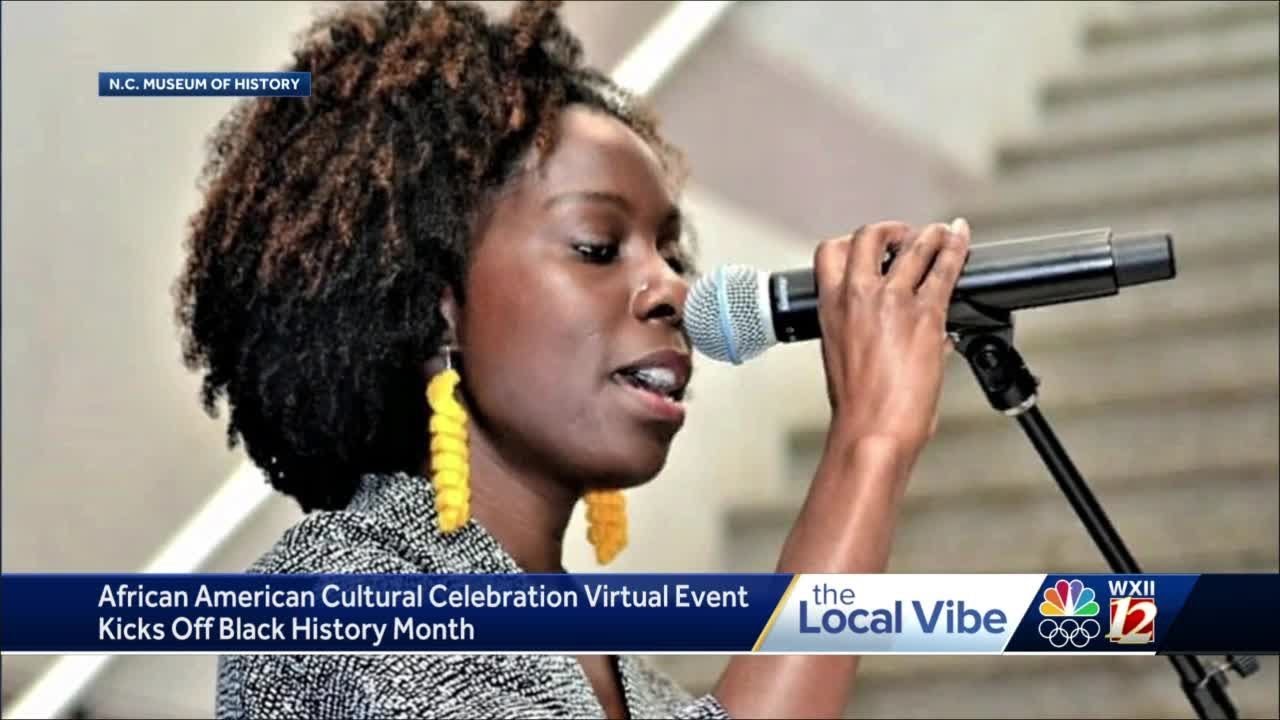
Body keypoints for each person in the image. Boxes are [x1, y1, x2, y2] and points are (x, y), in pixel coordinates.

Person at [175, 1, 971, 717]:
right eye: (597, 246)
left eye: (669, 253)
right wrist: (868, 446)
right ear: (434, 304)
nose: (673, 289)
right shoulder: (334, 594)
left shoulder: (628, 678)